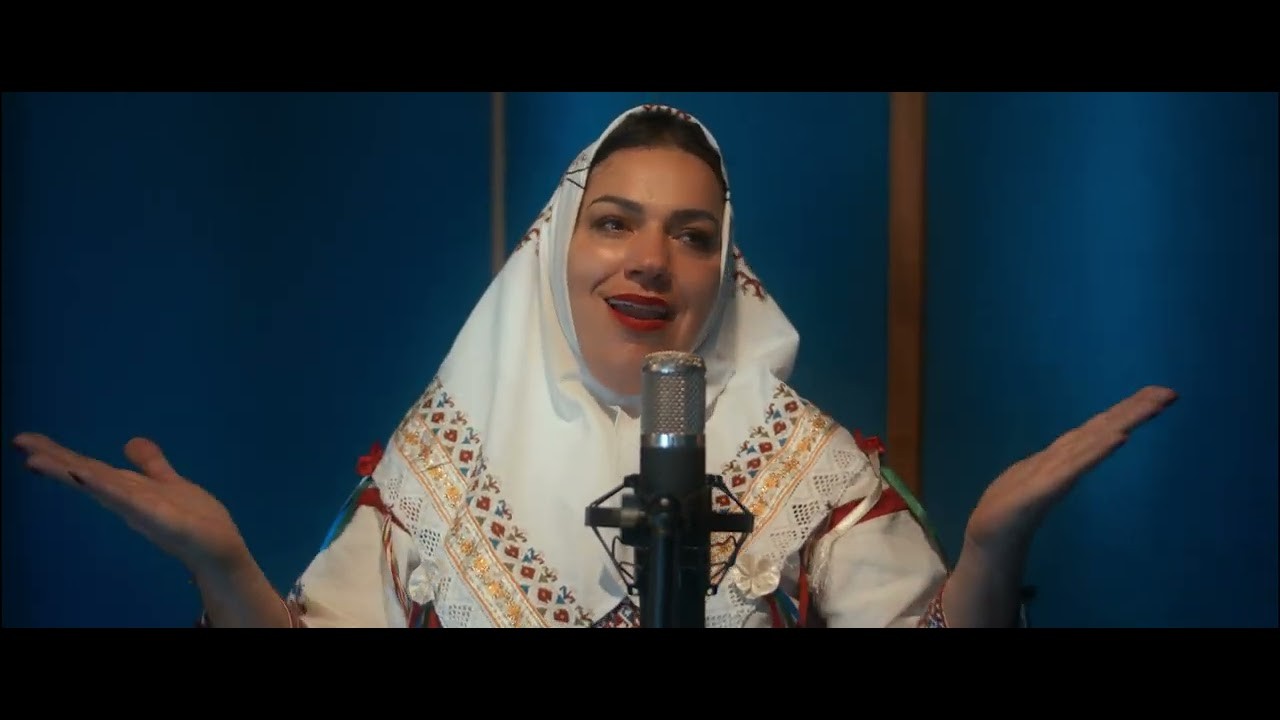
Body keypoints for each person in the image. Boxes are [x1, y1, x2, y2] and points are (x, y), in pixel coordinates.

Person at [12, 104, 1177, 628]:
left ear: (725, 271)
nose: (649, 262)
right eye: (613, 223)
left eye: (691, 235)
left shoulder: (803, 467)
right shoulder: (444, 461)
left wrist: (990, 548)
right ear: (554, 249)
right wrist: (223, 566)